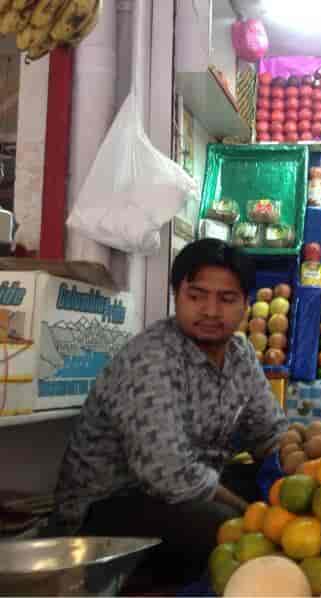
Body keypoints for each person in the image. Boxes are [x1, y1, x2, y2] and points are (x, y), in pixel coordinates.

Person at [46, 239, 287, 584]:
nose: (210, 310)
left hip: (185, 489)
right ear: (177, 296)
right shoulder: (152, 358)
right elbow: (169, 474)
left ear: (246, 304)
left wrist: (305, 472)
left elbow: (269, 433)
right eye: (196, 295)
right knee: (227, 529)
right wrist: (249, 512)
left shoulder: (240, 354)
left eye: (227, 299)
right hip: (107, 511)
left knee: (281, 494)